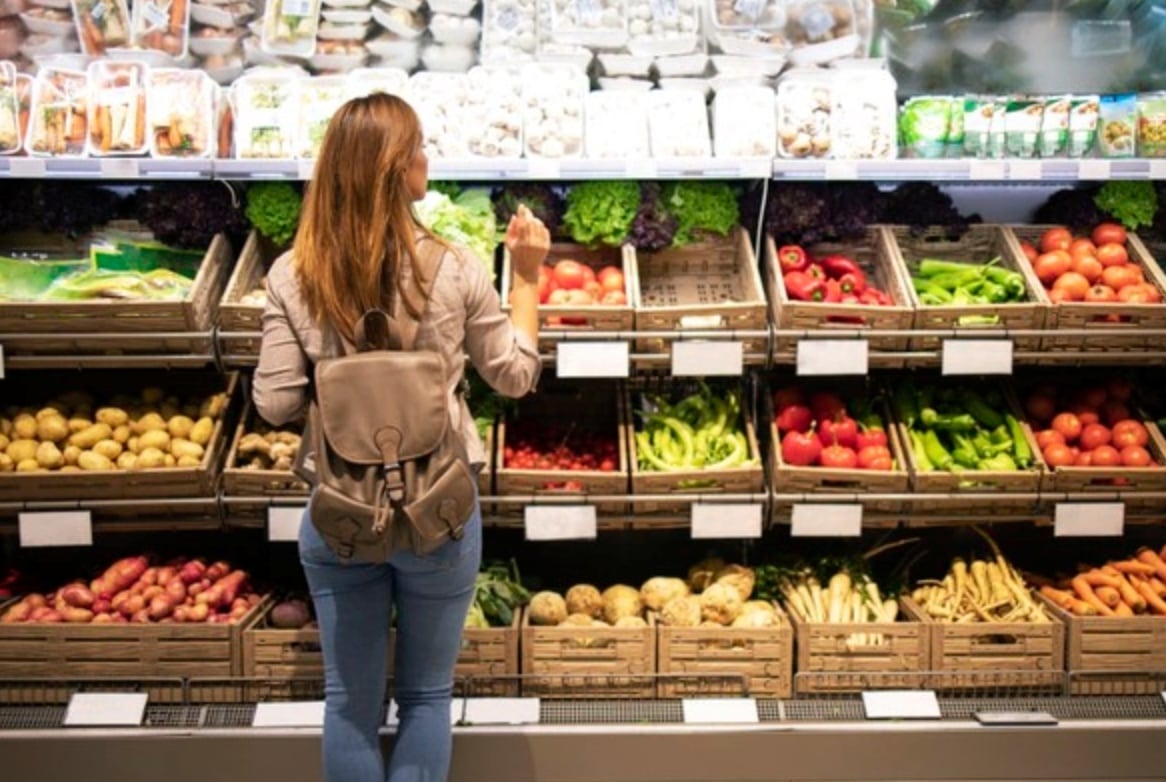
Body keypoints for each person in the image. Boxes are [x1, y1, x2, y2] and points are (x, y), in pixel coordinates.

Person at [252, 92, 547, 782]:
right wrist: (528, 278)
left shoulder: (293, 274)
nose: (426, 158)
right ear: (394, 170)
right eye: (417, 147)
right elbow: (513, 376)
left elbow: (274, 402)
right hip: (438, 511)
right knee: (423, 696)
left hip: (340, 513)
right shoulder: (457, 266)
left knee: (350, 702)